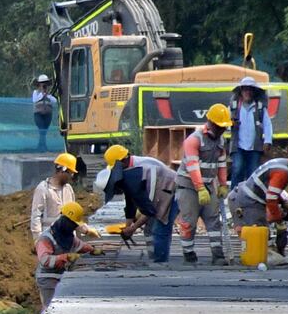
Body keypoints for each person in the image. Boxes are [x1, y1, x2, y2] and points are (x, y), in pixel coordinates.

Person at [226, 149, 288, 265]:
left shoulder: (283, 165)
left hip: (248, 200)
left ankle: (255, 257)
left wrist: (282, 204)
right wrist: (279, 221)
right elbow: (271, 199)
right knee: (260, 243)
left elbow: (272, 193)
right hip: (246, 202)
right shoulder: (283, 171)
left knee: (261, 239)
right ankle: (253, 259)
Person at [102, 144, 179, 264]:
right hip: (159, 193)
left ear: (123, 161)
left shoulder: (145, 169)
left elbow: (151, 209)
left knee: (160, 227)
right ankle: (153, 258)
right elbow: (130, 198)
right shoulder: (128, 170)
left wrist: (133, 228)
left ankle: (160, 262)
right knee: (148, 230)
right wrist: (127, 225)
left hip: (173, 191)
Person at [176, 104, 232, 264]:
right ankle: (188, 253)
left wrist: (222, 184)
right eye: (220, 127)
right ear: (211, 123)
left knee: (214, 221)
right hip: (188, 186)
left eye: (224, 127)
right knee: (189, 222)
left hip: (208, 185)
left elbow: (221, 163)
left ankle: (218, 255)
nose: (222, 130)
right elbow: (193, 166)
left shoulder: (220, 140)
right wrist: (200, 188)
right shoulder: (194, 140)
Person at [34, 200, 99, 306]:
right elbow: (45, 260)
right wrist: (66, 257)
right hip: (47, 279)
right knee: (51, 309)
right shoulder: (46, 238)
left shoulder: (66, 236)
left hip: (60, 276)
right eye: (73, 224)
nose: (74, 227)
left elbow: (78, 245)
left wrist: (92, 250)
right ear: (66, 221)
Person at [29, 152, 99, 241]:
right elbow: (36, 216)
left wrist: (86, 230)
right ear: (63, 170)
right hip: (51, 239)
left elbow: (73, 218)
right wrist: (38, 240)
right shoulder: (43, 189)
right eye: (70, 173)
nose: (72, 176)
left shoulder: (68, 189)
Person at [229, 77, 273, 187]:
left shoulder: (259, 107)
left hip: (255, 146)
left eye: (250, 89)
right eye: (245, 89)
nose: (247, 92)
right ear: (241, 91)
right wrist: (231, 124)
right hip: (238, 145)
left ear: (254, 92)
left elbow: (267, 124)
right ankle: (234, 196)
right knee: (237, 168)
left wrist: (268, 140)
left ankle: (249, 197)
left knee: (253, 173)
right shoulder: (234, 107)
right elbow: (224, 122)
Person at [32, 74, 57, 153]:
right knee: (41, 129)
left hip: (48, 114)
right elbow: (35, 100)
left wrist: (47, 95)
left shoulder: (50, 93)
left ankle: (41, 146)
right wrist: (42, 93)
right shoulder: (36, 92)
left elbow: (54, 101)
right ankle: (43, 147)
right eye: (42, 84)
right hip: (38, 114)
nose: (43, 85)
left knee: (44, 131)